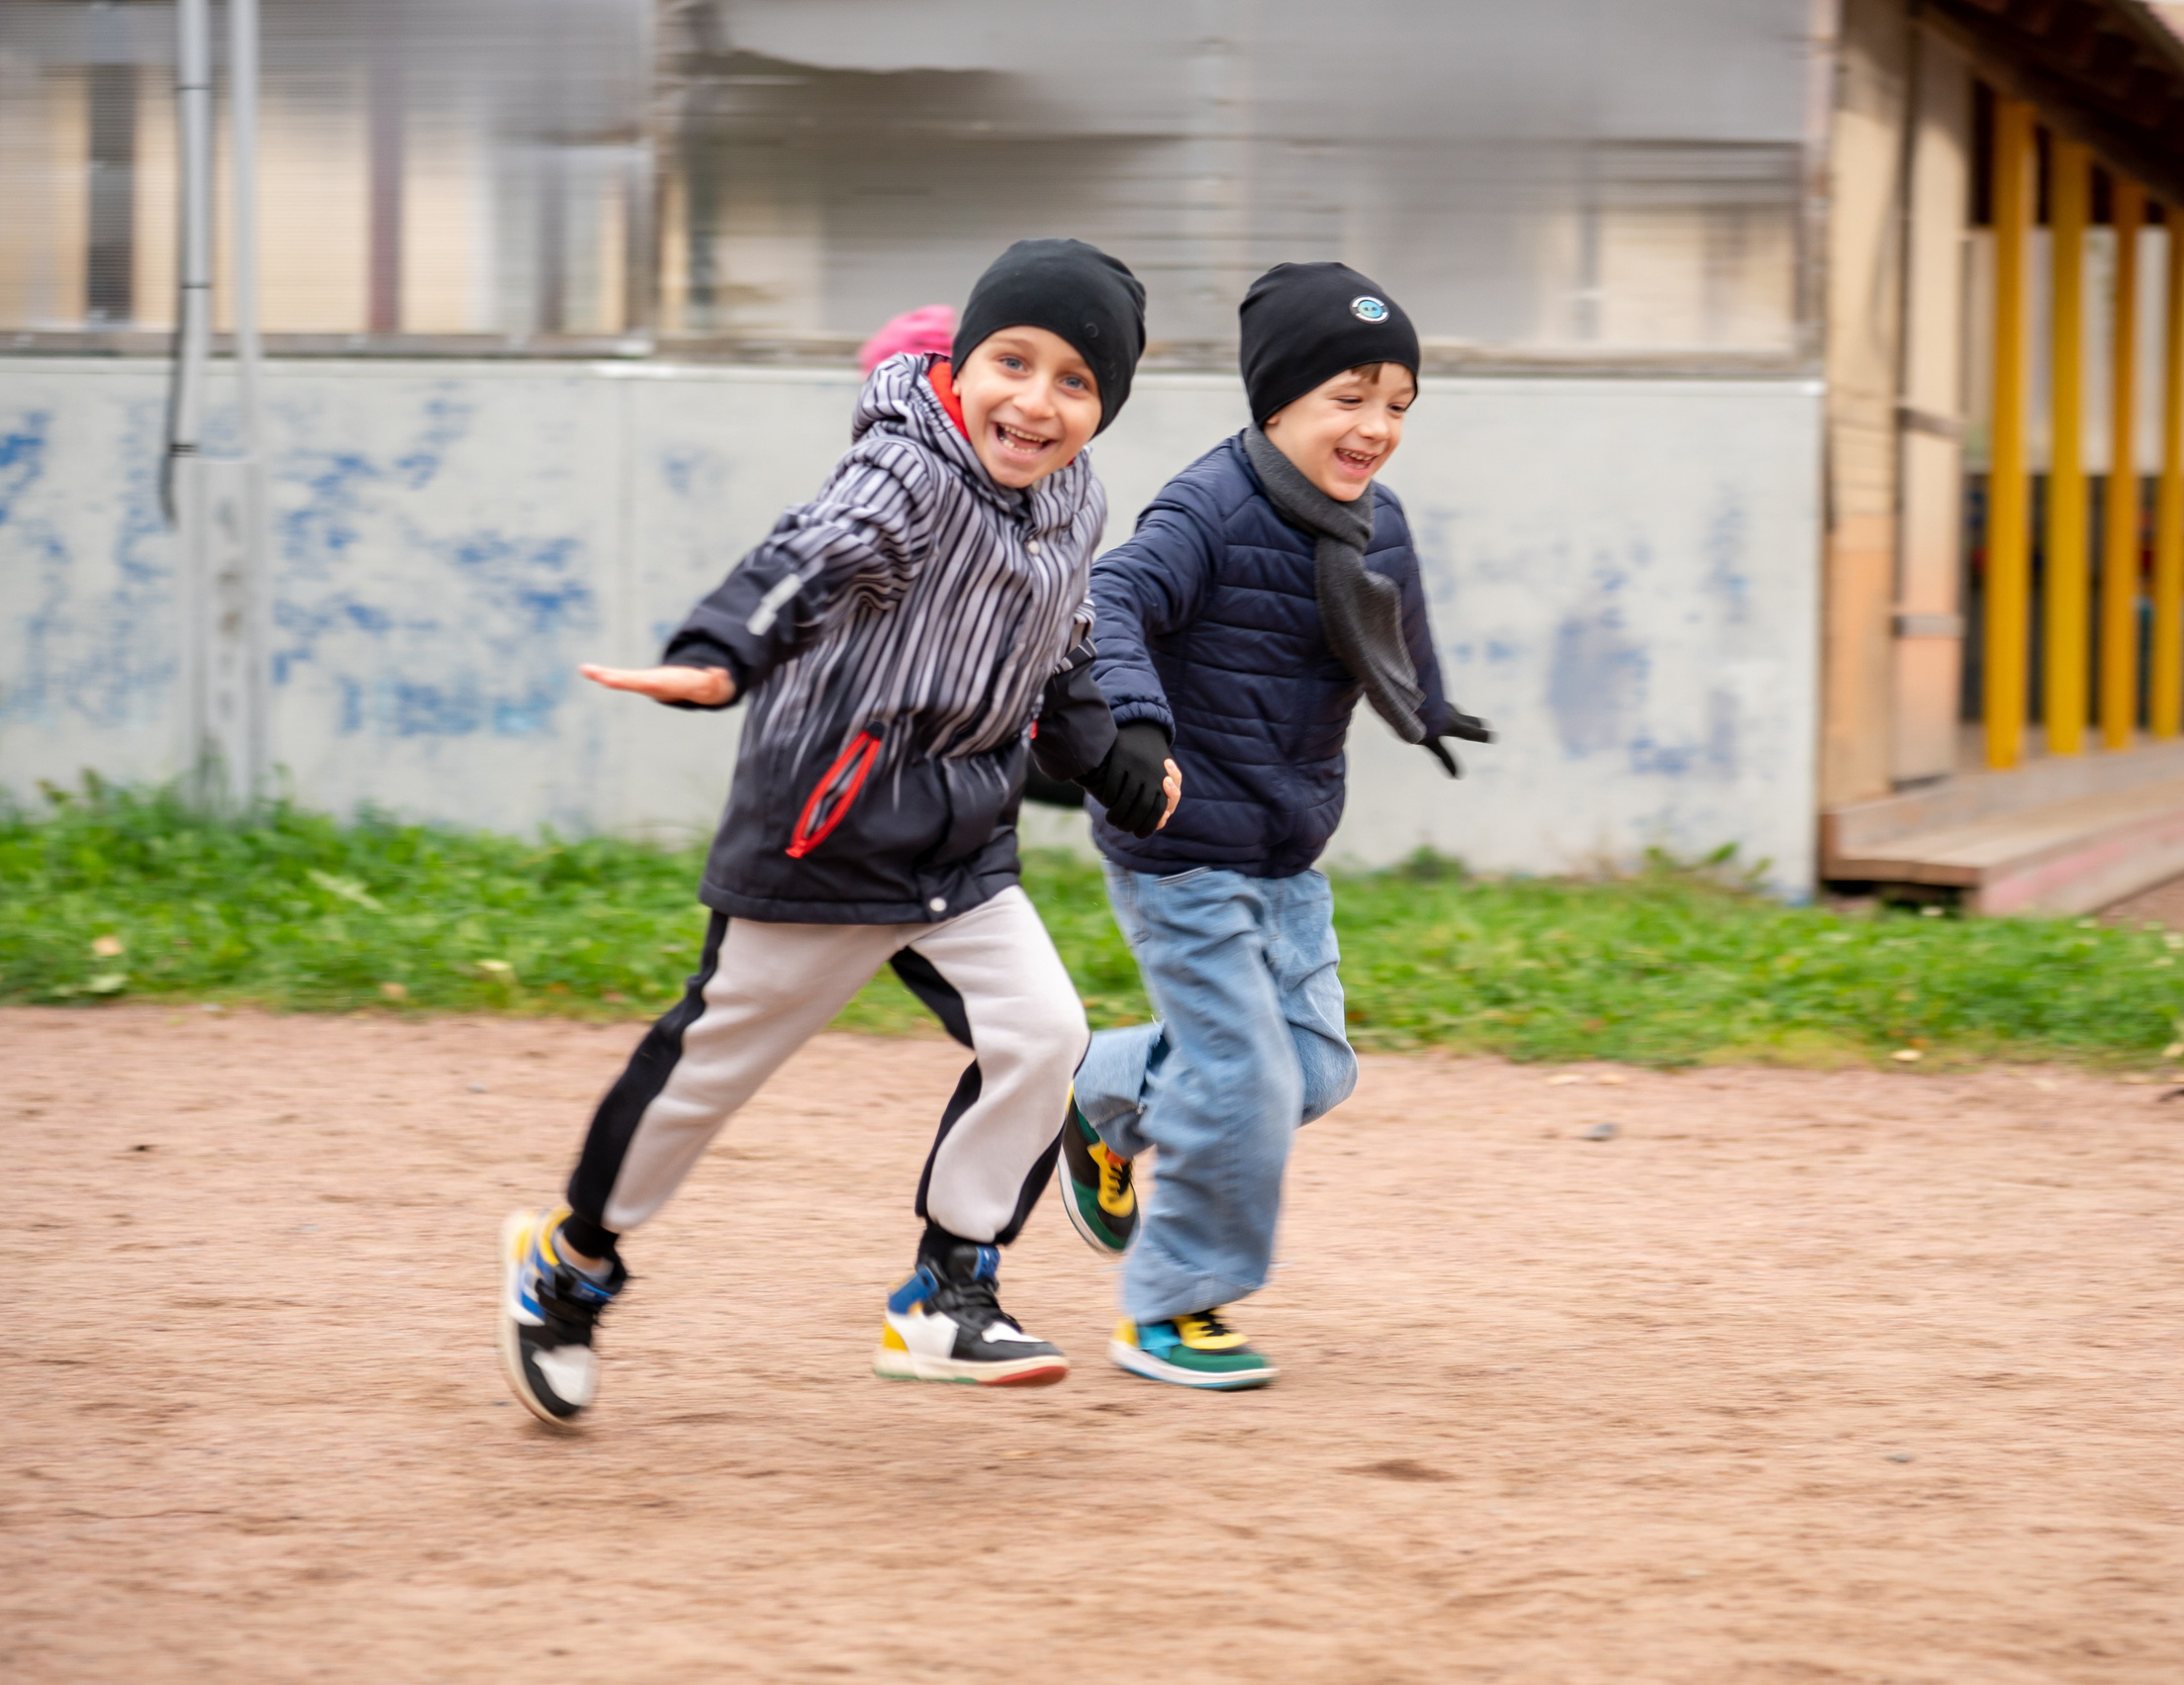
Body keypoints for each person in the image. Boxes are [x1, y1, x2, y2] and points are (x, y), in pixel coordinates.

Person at [499, 238, 1182, 1425]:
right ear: (962, 363)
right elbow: (814, 552)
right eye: (1011, 361)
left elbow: (1060, 642)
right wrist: (722, 654)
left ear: (1103, 409)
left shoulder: (1073, 498)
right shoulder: (903, 472)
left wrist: (1107, 758)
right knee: (707, 1074)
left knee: (1044, 1032)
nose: (1035, 399)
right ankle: (572, 1266)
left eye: (1076, 381)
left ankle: (947, 1290)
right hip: (829, 828)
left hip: (961, 835)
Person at [1051, 261, 1491, 1389]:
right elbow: (1113, 601)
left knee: (1313, 1069)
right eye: (1349, 396)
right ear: (1276, 401)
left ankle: (1104, 1089)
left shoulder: (1371, 522)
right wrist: (1137, 732)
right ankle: (1171, 1303)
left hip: (1287, 845)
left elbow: (1395, 625)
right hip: (1183, 843)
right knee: (1241, 1079)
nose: (1375, 426)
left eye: (1397, 402)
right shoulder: (1209, 508)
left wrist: (1427, 707)